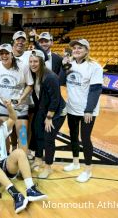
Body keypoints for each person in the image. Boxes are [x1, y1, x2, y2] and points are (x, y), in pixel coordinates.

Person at [0, 104, 47, 214]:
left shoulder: (1, 129)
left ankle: (30, 188)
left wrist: (9, 107)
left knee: (20, 152)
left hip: (4, 165)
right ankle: (16, 195)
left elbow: (13, 118)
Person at [61, 39, 103, 183]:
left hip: (87, 110)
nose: (76, 50)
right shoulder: (70, 64)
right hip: (72, 107)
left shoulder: (94, 67)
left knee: (85, 139)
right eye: (74, 48)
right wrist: (64, 67)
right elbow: (61, 81)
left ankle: (88, 170)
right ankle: (75, 162)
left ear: (86, 50)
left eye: (80, 48)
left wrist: (89, 110)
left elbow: (96, 90)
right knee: (73, 136)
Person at [0, 44, 33, 153]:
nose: (4, 56)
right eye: (2, 53)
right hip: (3, 106)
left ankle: (23, 162)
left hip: (20, 106)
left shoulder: (23, 66)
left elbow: (30, 84)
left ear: (12, 54)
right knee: (3, 137)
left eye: (7, 53)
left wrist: (21, 98)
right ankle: (5, 161)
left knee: (22, 138)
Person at [28, 50, 66, 178]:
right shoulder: (35, 74)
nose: (33, 64)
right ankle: (38, 159)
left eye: (36, 61)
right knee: (37, 131)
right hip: (43, 109)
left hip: (57, 111)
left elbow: (55, 99)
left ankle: (48, 166)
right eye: (31, 61)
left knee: (48, 137)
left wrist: (49, 117)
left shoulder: (50, 77)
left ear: (41, 62)